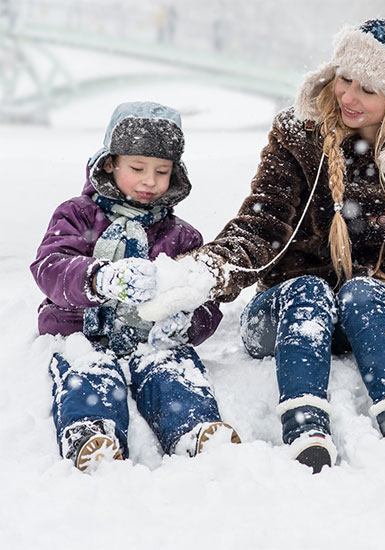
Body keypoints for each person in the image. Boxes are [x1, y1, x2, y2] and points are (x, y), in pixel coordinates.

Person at [174, 19, 385, 472]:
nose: (348, 97)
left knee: (366, 292)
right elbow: (261, 223)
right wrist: (206, 271)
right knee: (308, 292)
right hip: (286, 313)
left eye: (367, 89)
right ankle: (305, 426)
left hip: (371, 317)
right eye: (344, 79)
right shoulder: (298, 133)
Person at [31, 101, 240, 472]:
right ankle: (91, 431)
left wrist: (187, 322)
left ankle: (194, 429)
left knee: (173, 369)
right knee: (89, 371)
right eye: (138, 168)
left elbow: (205, 300)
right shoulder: (78, 215)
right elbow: (50, 266)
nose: (149, 181)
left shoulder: (182, 236)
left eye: (162, 171)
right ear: (110, 163)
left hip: (151, 339)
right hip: (81, 331)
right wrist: (99, 278)